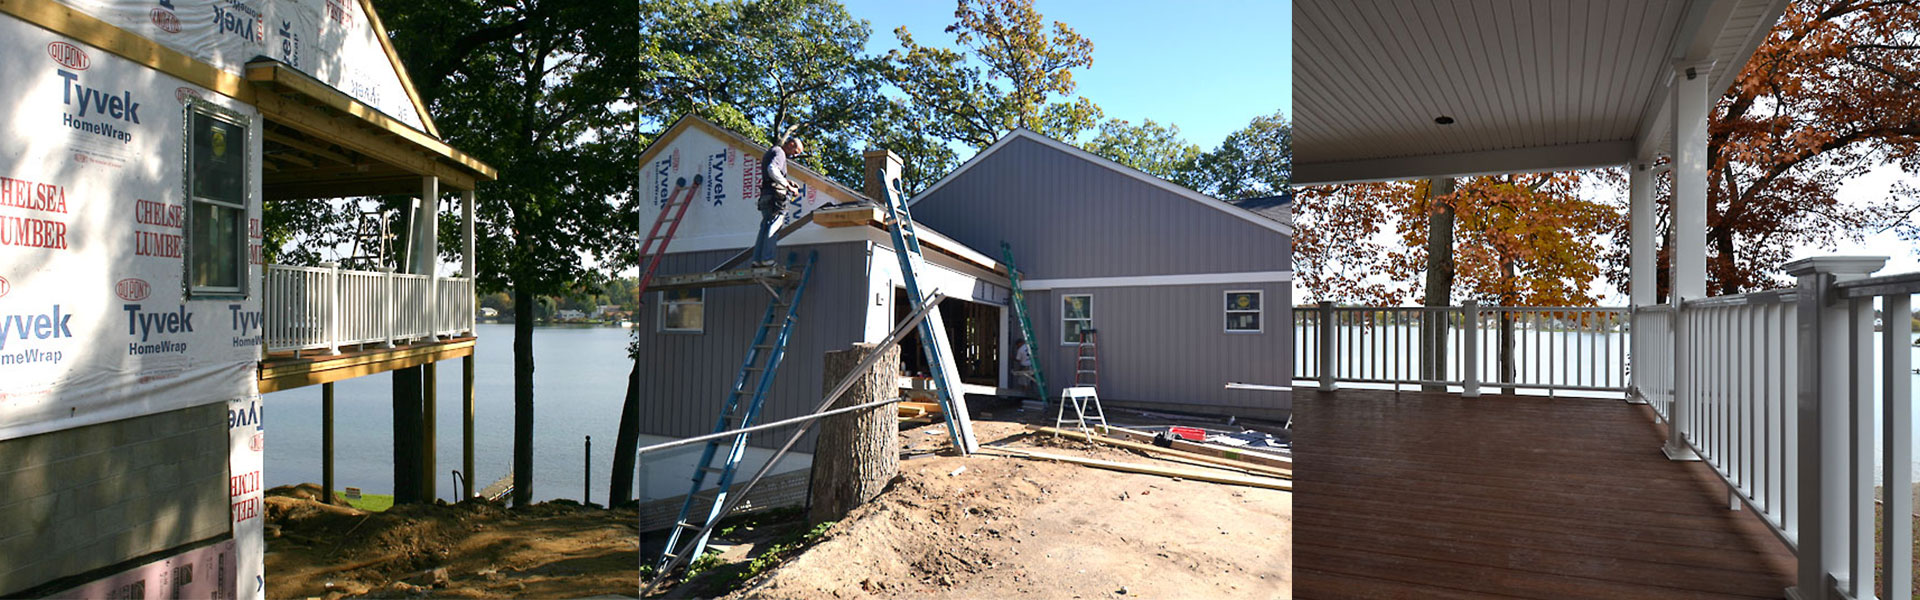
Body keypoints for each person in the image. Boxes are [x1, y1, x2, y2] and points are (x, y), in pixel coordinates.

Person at [753, 137, 804, 266]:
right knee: (774, 227)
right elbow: (772, 170)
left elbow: (772, 173)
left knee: (765, 227)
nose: (795, 155)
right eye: (796, 151)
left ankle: (757, 260)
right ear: (791, 144)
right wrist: (788, 187)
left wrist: (787, 181)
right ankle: (767, 259)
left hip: (766, 195)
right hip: (774, 197)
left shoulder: (771, 151)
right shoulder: (779, 152)